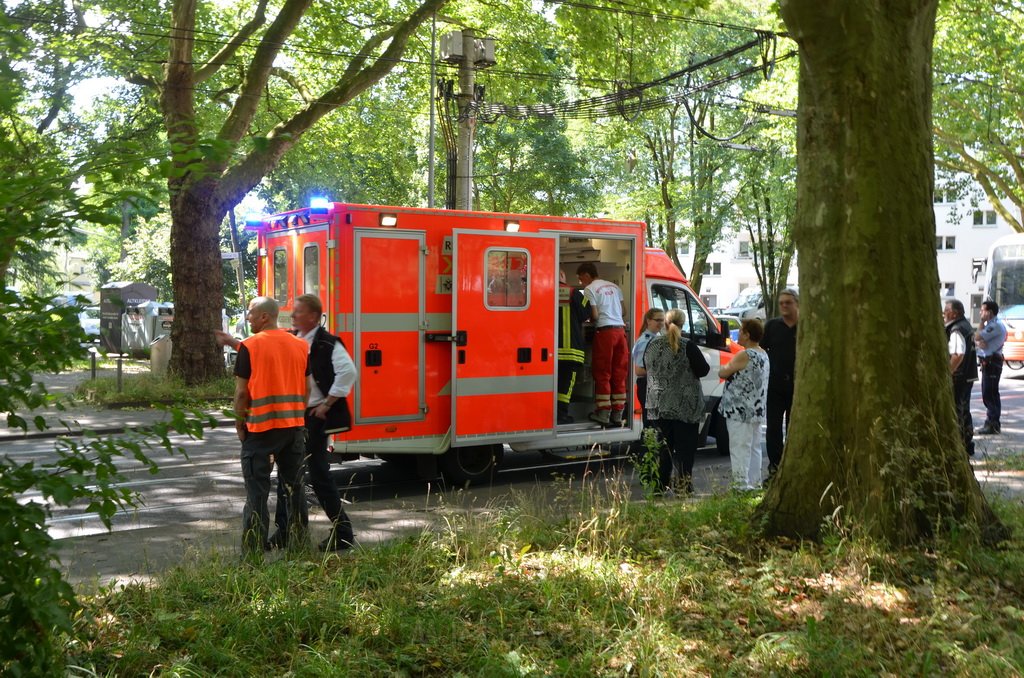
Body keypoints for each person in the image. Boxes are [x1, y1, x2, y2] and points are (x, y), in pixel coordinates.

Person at [216, 297, 309, 559]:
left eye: (250, 313)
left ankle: (253, 555)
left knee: (257, 493)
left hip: (260, 430)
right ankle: (299, 547)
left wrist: (239, 421)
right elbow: (308, 388)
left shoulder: (250, 346)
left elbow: (241, 392)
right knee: (295, 490)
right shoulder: (300, 345)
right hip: (294, 429)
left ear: (264, 317)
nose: (247, 318)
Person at [271, 294, 357, 552]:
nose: (293, 316)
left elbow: (348, 373)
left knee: (318, 474)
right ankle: (285, 531)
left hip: (313, 417)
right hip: (294, 414)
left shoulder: (326, 343)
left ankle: (343, 532)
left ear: (313, 316)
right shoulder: (293, 338)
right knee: (287, 472)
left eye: (298, 312)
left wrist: (326, 404)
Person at [644, 307, 710, 494]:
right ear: (683, 324)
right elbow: (703, 370)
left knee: (663, 449)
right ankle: (683, 487)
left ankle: (659, 487)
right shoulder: (688, 345)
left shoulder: (653, 345)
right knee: (684, 450)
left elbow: (646, 366)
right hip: (685, 406)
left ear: (665, 323)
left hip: (658, 404)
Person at [718, 319, 770, 490]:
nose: (738, 334)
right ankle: (754, 482)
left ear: (747, 335)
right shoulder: (763, 353)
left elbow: (724, 371)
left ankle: (740, 485)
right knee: (754, 447)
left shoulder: (745, 354)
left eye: (741, 331)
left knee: (739, 447)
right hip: (756, 409)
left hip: (739, 410)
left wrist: (726, 367)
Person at [576, 262, 629, 427]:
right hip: (621, 332)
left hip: (605, 333)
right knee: (619, 372)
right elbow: (624, 311)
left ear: (586, 275)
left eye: (580, 279)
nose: (580, 282)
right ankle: (618, 413)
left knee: (602, 372)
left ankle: (604, 412)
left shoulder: (590, 289)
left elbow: (595, 314)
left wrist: (588, 320)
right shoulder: (614, 287)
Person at [761, 287, 799, 477]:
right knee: (773, 427)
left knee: (794, 426)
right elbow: (760, 349)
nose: (784, 306)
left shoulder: (805, 326)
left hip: (798, 386)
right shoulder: (772, 326)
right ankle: (775, 466)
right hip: (775, 386)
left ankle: (793, 465)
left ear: (797, 304)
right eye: (781, 303)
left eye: (788, 303)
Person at [945, 299, 978, 456]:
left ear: (955, 312)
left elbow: (958, 355)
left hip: (959, 377)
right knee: (965, 409)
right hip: (968, 375)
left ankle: (960, 442)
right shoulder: (966, 325)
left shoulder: (956, 329)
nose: (944, 313)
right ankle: (966, 441)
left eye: (947, 310)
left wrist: (948, 372)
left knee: (958, 409)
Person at [557, 270, 587, 424]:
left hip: (549, 352)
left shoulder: (544, 292)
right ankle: (561, 416)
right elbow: (586, 313)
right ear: (563, 277)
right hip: (571, 352)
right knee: (566, 386)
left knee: (554, 384)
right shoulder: (574, 293)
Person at [975, 300, 1007, 435]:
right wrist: (979, 342)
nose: (981, 313)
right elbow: (977, 340)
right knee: (987, 393)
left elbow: (976, 336)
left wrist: (981, 322)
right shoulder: (992, 325)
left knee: (990, 394)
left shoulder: (995, 326)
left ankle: (993, 424)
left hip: (992, 363)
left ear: (990, 312)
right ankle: (991, 422)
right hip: (989, 363)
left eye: (983, 310)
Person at [631, 308, 666, 429]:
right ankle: (646, 448)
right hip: (647, 386)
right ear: (648, 321)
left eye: (663, 320)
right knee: (651, 425)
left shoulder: (654, 338)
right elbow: (639, 370)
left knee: (653, 424)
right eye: (658, 320)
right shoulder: (645, 341)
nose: (661, 323)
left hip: (652, 385)